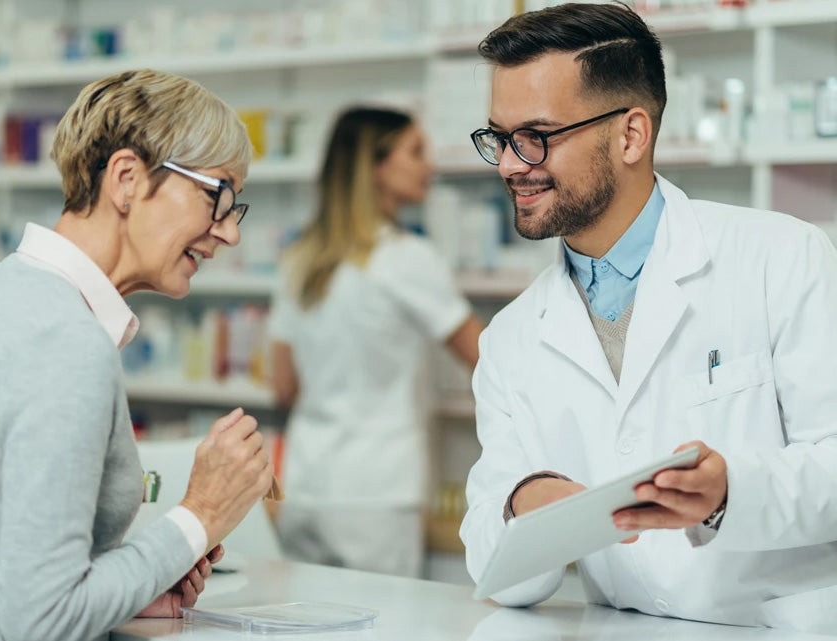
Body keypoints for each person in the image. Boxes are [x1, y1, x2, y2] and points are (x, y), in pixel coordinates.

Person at [460, 2, 837, 633]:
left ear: (631, 134)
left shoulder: (781, 257)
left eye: (536, 138)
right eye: (499, 137)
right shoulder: (512, 339)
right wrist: (523, 506)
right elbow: (499, 576)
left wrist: (730, 492)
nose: (508, 164)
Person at [0, 69, 276, 641]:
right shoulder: (64, 341)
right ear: (126, 179)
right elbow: (42, 623)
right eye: (216, 195)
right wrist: (201, 514)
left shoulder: (7, 290)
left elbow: (10, 577)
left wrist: (137, 582)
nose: (229, 232)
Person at [268, 107, 484, 578]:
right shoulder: (406, 258)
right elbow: (487, 360)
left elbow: (282, 386)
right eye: (415, 152)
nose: (429, 165)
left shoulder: (300, 258)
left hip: (304, 488)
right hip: (377, 497)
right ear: (375, 166)